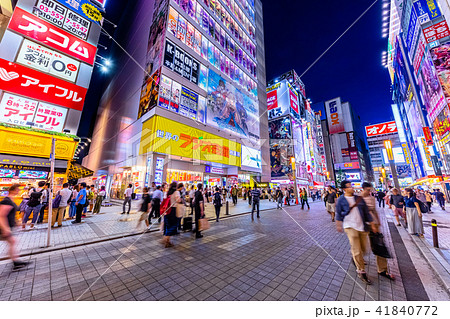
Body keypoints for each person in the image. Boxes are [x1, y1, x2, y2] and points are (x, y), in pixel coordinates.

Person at [336, 180, 375, 285]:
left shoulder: (358, 198)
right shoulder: (341, 200)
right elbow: (338, 213)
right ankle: (361, 271)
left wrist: (372, 224)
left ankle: (355, 256)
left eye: (351, 186)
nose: (352, 188)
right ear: (344, 189)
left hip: (361, 226)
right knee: (357, 249)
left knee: (364, 249)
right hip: (349, 226)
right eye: (349, 187)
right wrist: (338, 224)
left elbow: (366, 212)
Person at [361, 182, 395, 281]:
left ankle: (382, 270)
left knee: (379, 245)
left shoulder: (371, 198)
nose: (369, 191)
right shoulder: (358, 198)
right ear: (363, 189)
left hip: (373, 225)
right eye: (367, 190)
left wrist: (378, 222)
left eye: (370, 189)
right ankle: (358, 260)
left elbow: (374, 211)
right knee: (362, 246)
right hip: (362, 225)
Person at [0, 184, 30, 271]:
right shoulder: (7, 201)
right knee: (12, 241)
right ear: (12, 190)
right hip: (4, 227)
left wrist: (16, 223)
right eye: (17, 189)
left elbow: (10, 214)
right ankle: (15, 261)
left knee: (12, 242)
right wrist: (5, 229)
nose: (18, 191)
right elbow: (1, 216)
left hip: (8, 226)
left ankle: (16, 261)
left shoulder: (10, 200)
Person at [163, 182, 179, 247]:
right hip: (173, 210)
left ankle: (167, 241)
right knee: (175, 224)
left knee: (168, 224)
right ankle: (167, 237)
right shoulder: (176, 192)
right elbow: (178, 200)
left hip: (166, 210)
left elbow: (164, 200)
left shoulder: (167, 192)